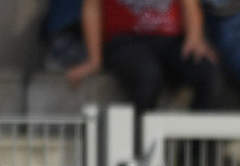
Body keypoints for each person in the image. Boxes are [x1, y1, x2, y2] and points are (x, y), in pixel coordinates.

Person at [65, 0, 226, 113]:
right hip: (124, 41)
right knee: (147, 76)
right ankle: (139, 155)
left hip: (170, 40)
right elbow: (92, 7)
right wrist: (94, 59)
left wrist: (194, 37)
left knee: (208, 74)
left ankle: (193, 156)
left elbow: (189, 3)